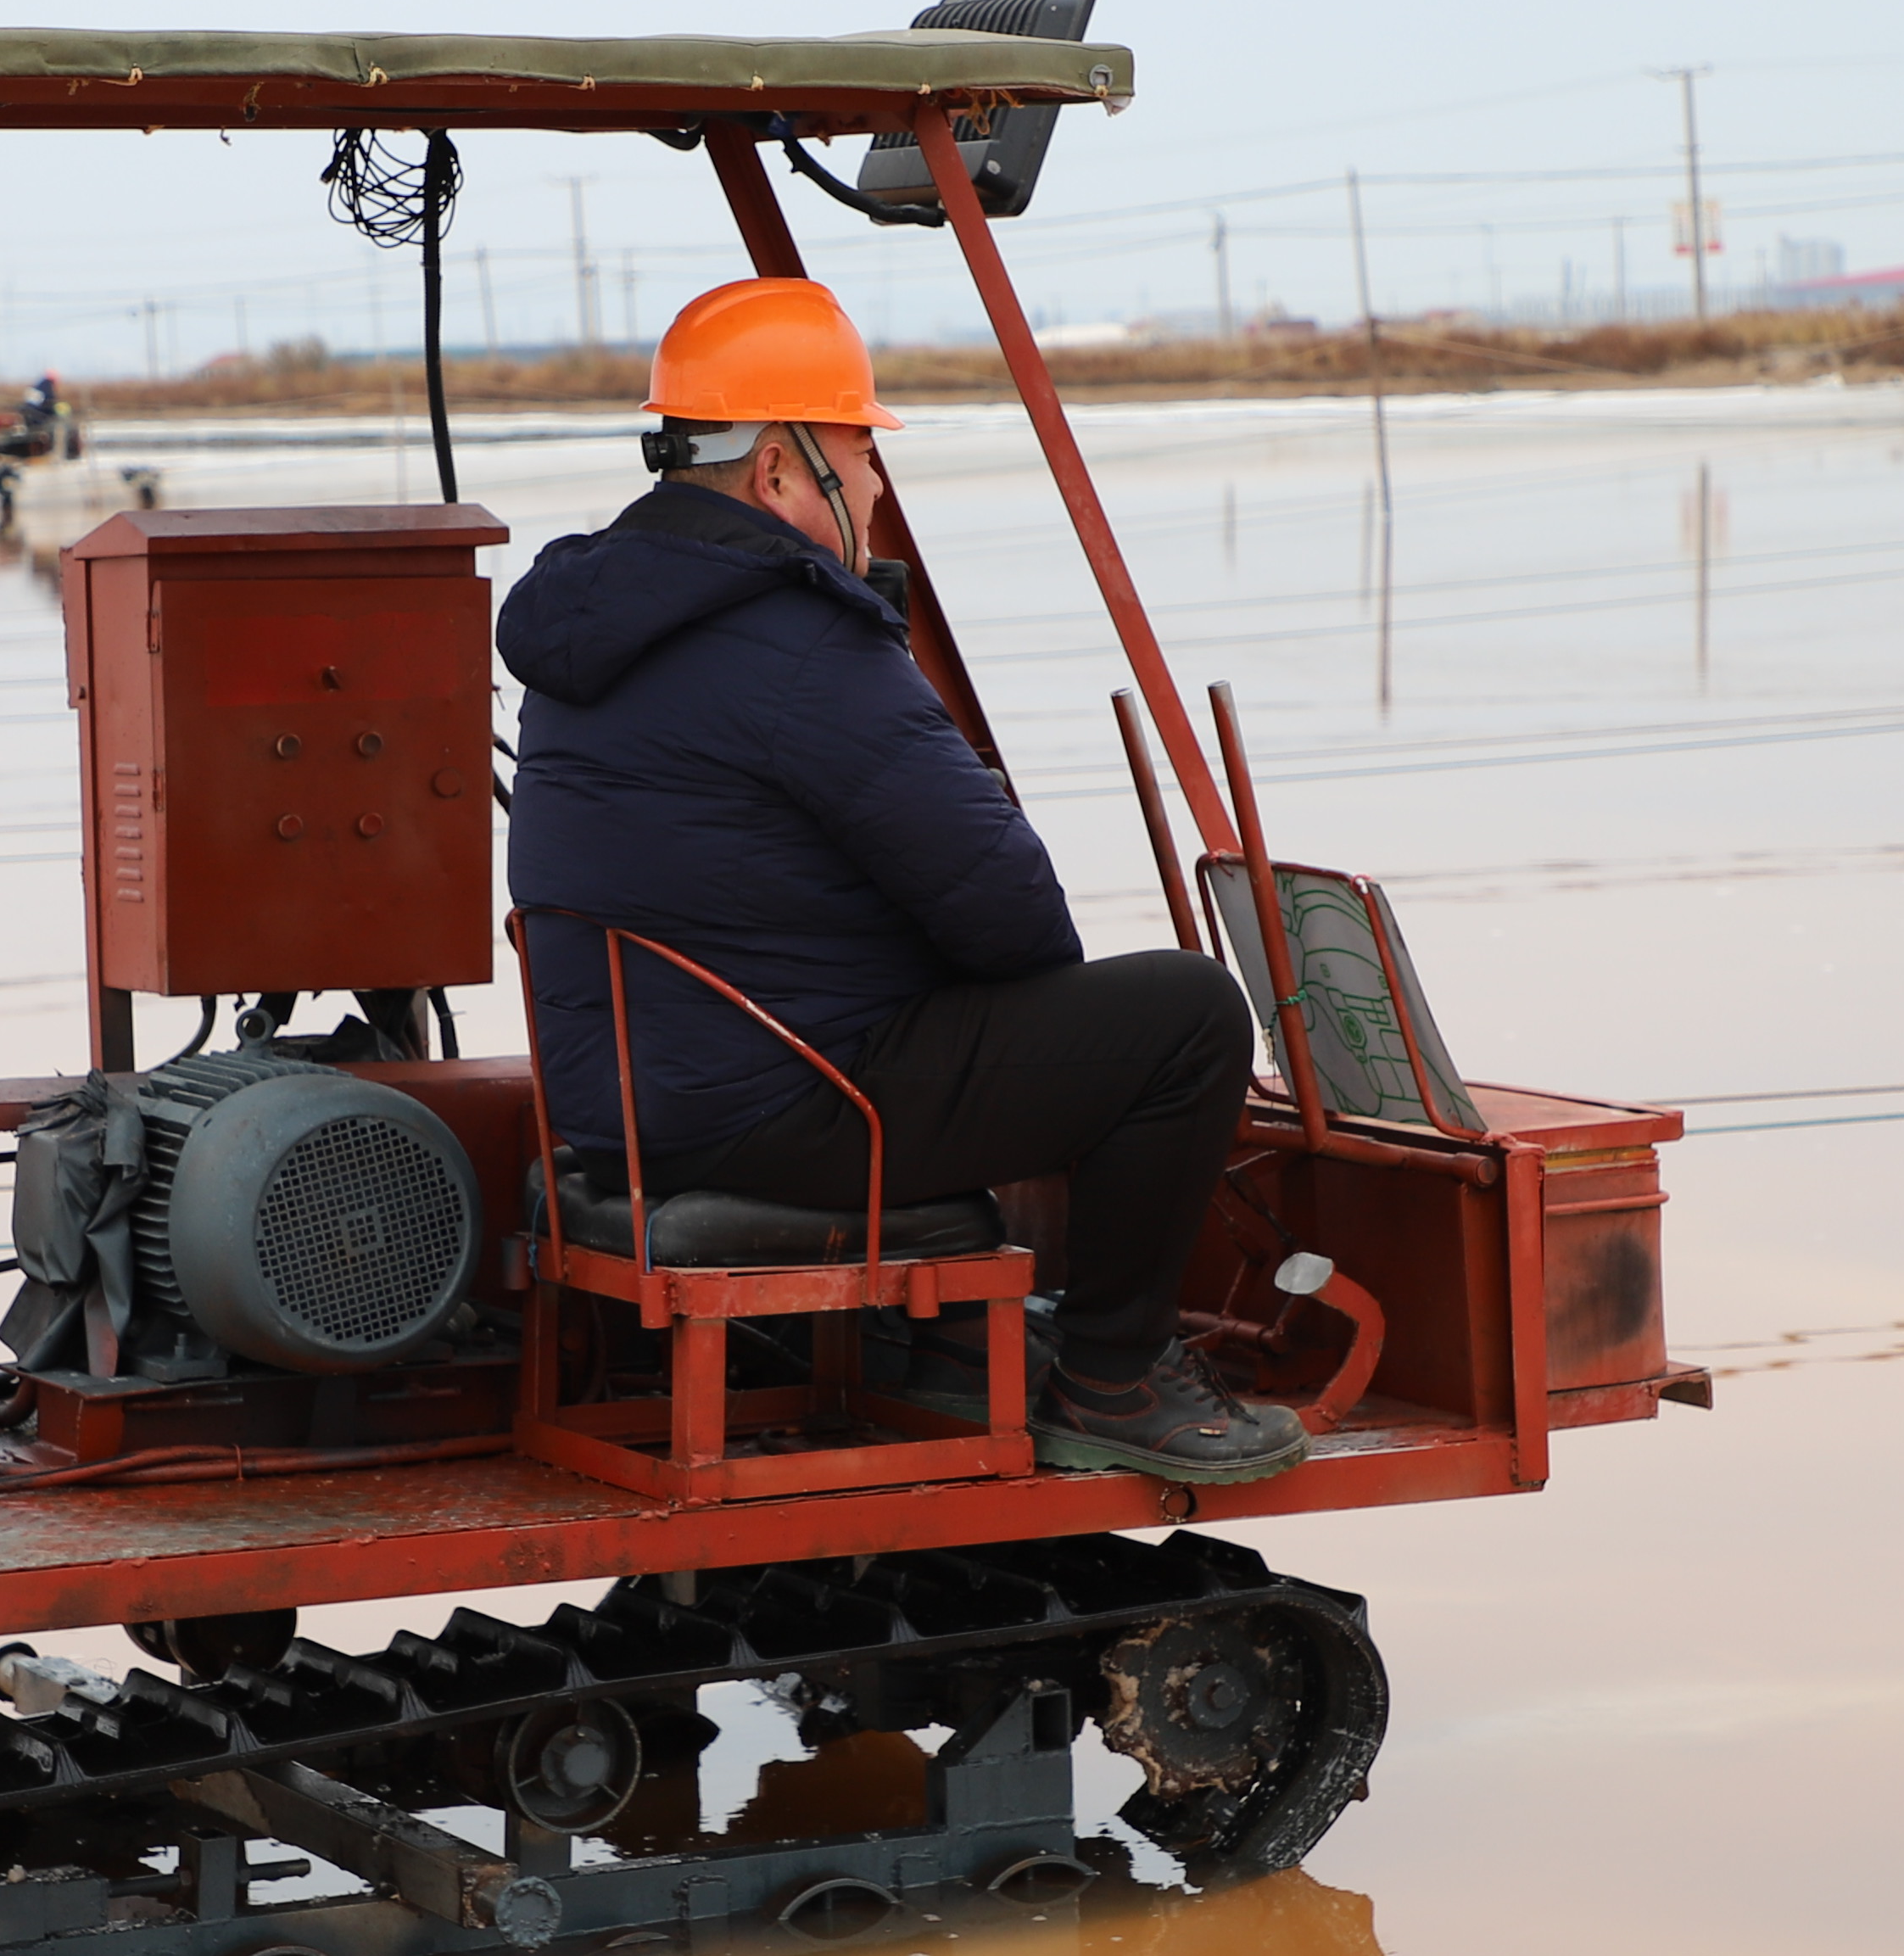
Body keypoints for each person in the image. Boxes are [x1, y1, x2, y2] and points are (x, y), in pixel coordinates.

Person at [494, 277, 1301, 1483]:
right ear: (780, 467)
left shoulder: (591, 628)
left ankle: (943, 1343)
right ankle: (1117, 1379)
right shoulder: (801, 640)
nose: (876, 487)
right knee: (1185, 1019)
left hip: (629, 1107)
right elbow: (1019, 925)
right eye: (862, 453)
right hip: (783, 1107)